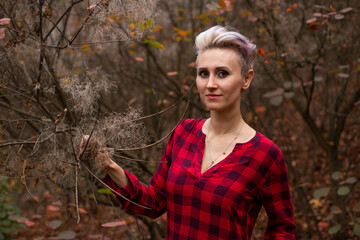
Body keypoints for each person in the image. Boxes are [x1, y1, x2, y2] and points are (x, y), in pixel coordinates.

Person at [82, 26, 295, 239]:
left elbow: (282, 230)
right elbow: (153, 203)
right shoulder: (184, 133)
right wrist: (108, 164)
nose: (210, 84)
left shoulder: (266, 155)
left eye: (222, 73)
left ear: (246, 79)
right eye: (204, 73)